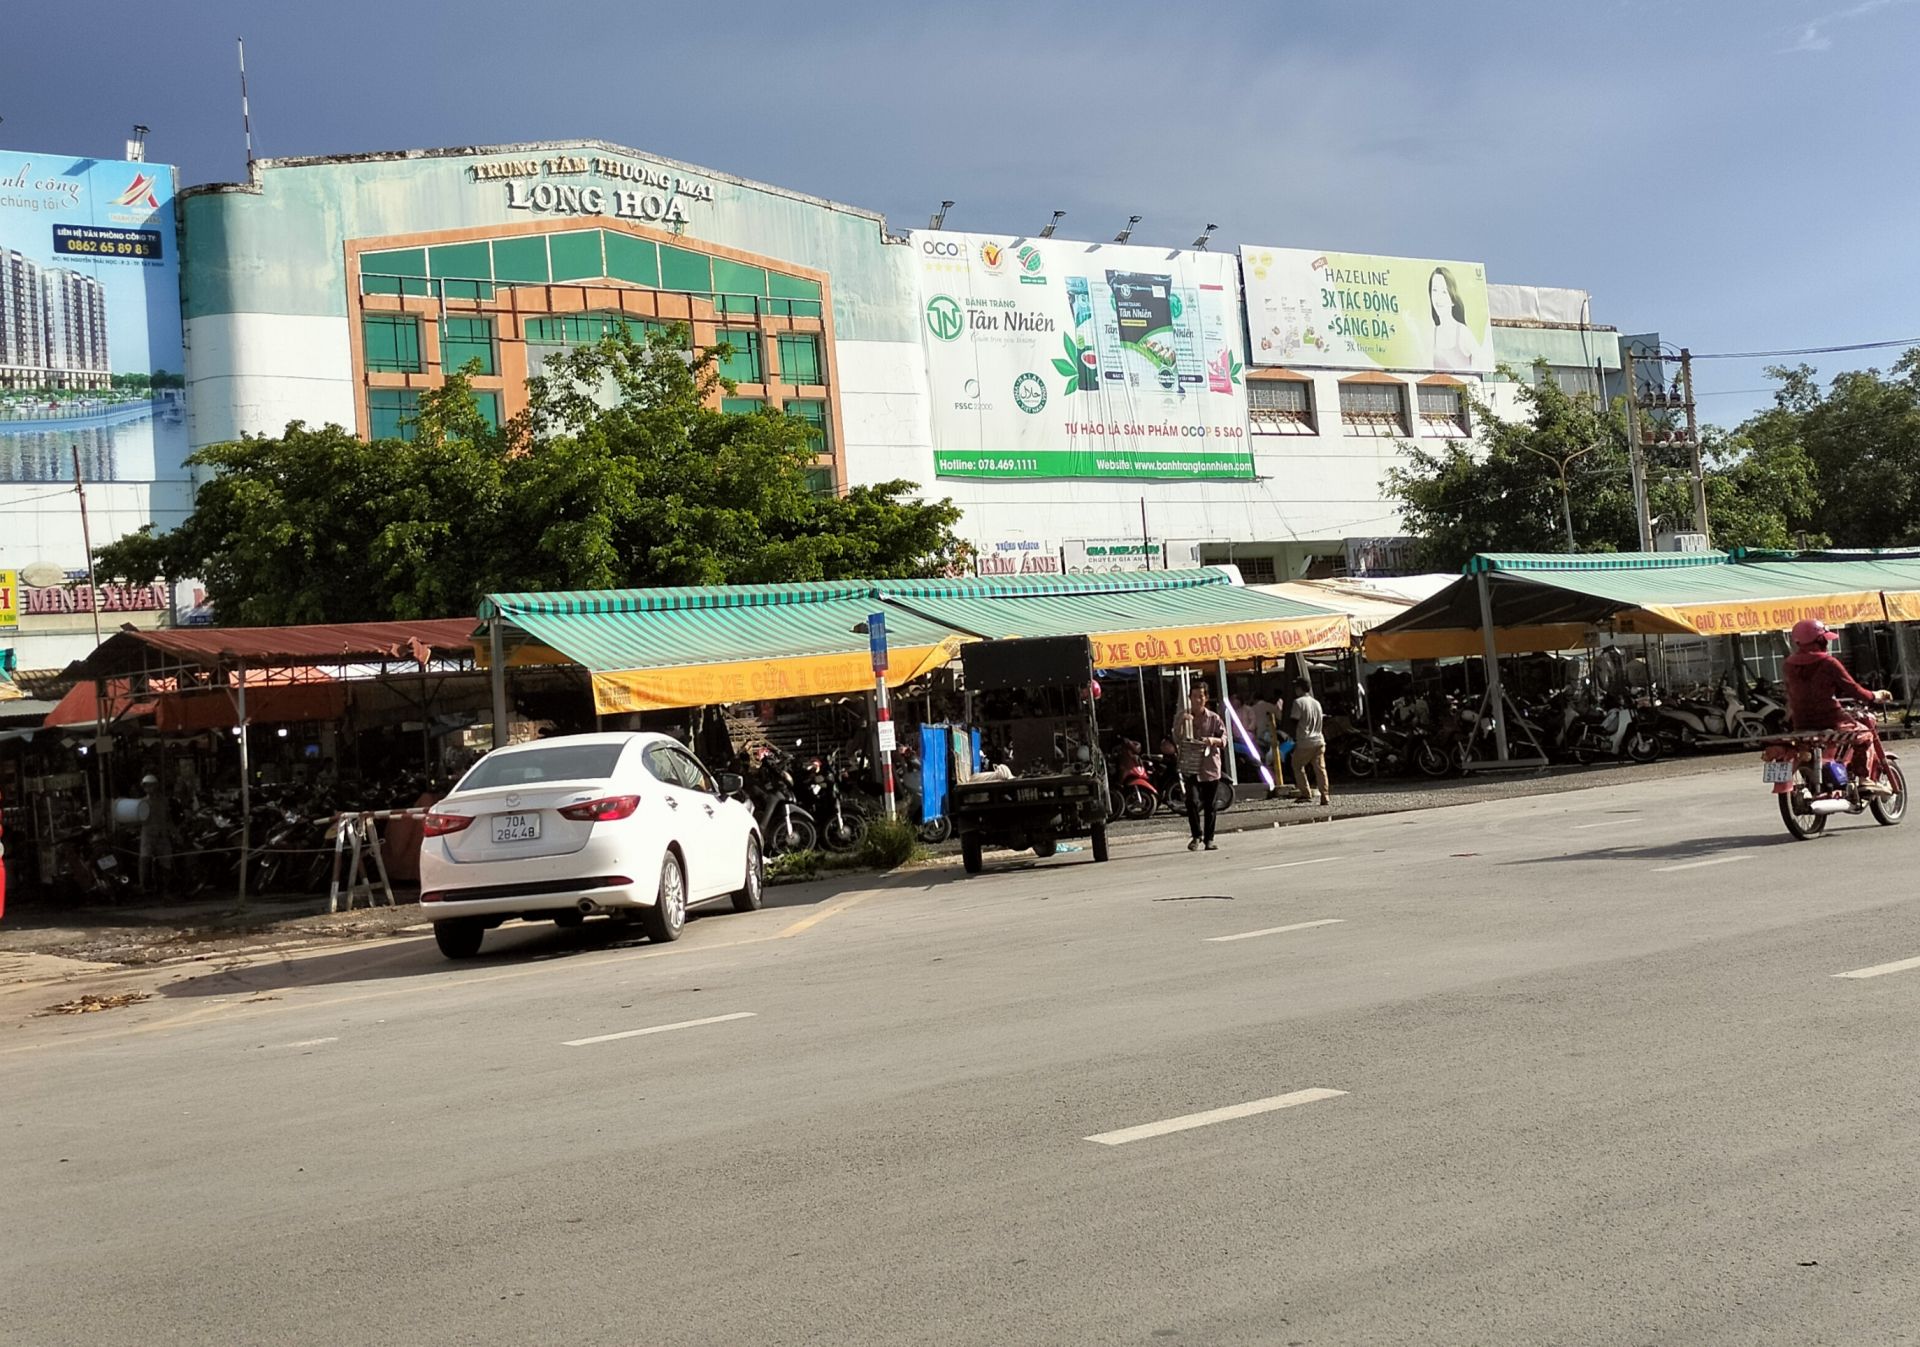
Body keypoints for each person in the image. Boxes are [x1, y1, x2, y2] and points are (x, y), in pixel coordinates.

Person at [1784, 618, 1891, 788]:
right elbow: (1854, 689)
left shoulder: (1788, 664)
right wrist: (1874, 696)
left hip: (1800, 722)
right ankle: (1864, 779)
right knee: (1865, 734)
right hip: (1831, 720)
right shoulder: (1828, 663)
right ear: (1820, 640)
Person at [1172, 683, 1227, 851]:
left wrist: (1212, 740)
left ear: (1206, 698)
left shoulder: (1214, 718)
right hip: (1191, 766)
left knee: (1210, 805)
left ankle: (1209, 839)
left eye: (1201, 696)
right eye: (1194, 696)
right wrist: (1182, 723)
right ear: (1189, 698)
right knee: (1192, 802)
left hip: (1210, 766)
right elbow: (1177, 738)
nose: (1197, 700)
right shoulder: (1184, 716)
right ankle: (1196, 835)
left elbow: (1224, 739)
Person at [1428, 266, 1481, 372]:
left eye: (1444, 292)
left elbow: (1481, 361)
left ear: (1452, 299)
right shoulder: (1432, 333)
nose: (1438, 297)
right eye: (1434, 290)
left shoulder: (1462, 332)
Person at [1288, 678, 1331, 807]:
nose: (1295, 690)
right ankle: (1325, 795)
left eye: (1296, 687)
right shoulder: (1316, 703)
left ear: (1300, 688)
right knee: (1320, 769)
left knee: (1297, 765)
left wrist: (1290, 735)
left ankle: (1305, 793)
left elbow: (1294, 720)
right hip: (1319, 739)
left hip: (1305, 740)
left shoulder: (1298, 702)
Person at [137, 772, 172, 894]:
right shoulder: (142, 803)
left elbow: (168, 819)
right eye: (146, 786)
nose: (148, 788)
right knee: (145, 861)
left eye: (151, 785)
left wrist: (174, 833)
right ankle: (144, 887)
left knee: (165, 863)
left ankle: (165, 890)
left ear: (156, 786)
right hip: (148, 836)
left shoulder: (163, 801)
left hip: (162, 836)